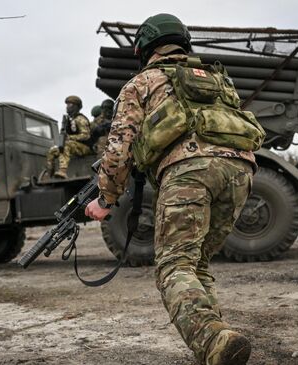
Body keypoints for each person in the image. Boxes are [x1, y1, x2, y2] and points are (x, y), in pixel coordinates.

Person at [85, 13, 264, 365]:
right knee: (196, 264)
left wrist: (106, 199)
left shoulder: (142, 82)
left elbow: (119, 146)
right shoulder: (215, 78)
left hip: (189, 171)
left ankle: (212, 338)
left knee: (174, 265)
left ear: (144, 46)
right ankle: (215, 343)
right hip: (240, 171)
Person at [44, 95, 93, 179]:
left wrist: (70, 137)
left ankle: (62, 171)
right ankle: (49, 174)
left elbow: (86, 135)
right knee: (52, 151)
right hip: (75, 146)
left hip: (85, 147)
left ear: (76, 106)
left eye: (70, 105)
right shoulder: (71, 120)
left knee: (65, 145)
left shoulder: (80, 119)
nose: (67, 107)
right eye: (67, 105)